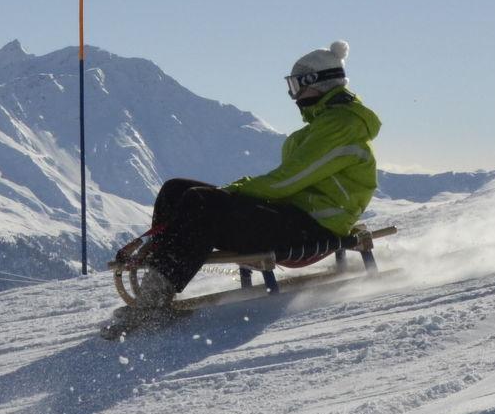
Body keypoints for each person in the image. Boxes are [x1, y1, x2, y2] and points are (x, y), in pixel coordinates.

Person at [127, 41, 381, 308]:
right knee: (176, 189)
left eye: (296, 86)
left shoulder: (340, 127)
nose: (294, 96)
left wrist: (233, 191)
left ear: (315, 83)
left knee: (202, 202)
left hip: (314, 228)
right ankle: (156, 280)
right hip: (292, 217)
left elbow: (287, 181)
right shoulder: (321, 127)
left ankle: (153, 301)